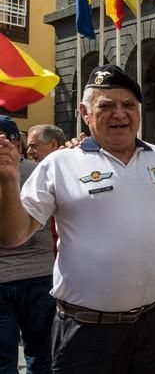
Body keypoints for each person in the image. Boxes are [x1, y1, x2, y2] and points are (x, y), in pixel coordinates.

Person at [0, 64, 155, 374]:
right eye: (106, 106)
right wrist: (7, 180)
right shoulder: (60, 163)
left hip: (154, 323)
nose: (120, 114)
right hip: (87, 332)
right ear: (85, 113)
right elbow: (13, 235)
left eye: (128, 105)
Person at [0, 116, 54, 374]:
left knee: (16, 358)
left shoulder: (38, 173)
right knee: (40, 355)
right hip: (36, 277)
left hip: (38, 278)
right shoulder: (39, 171)